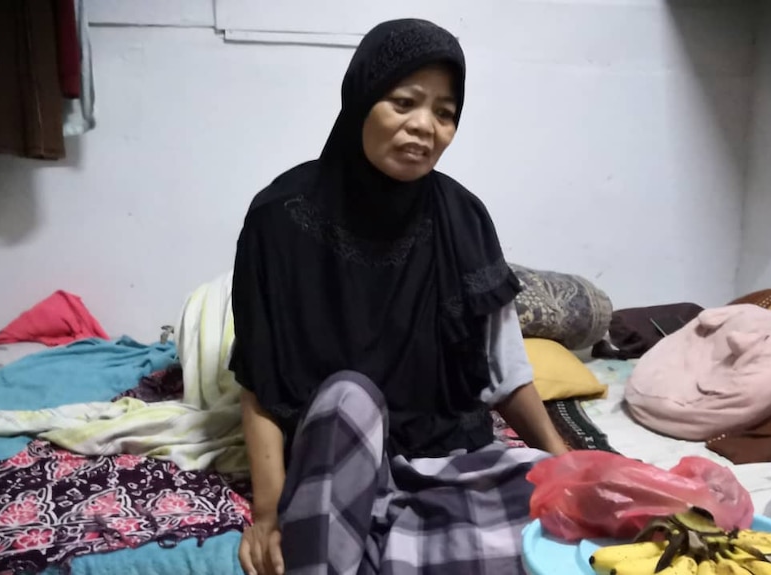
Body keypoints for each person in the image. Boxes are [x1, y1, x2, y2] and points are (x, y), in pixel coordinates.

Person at [229, 18, 568, 575]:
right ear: (362, 98)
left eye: (444, 113)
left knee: (556, 529)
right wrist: (267, 511)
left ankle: (383, 536)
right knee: (347, 398)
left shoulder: (464, 219)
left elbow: (503, 370)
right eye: (403, 102)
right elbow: (260, 383)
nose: (424, 127)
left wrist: (562, 462)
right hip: (332, 455)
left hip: (444, 455)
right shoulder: (278, 219)